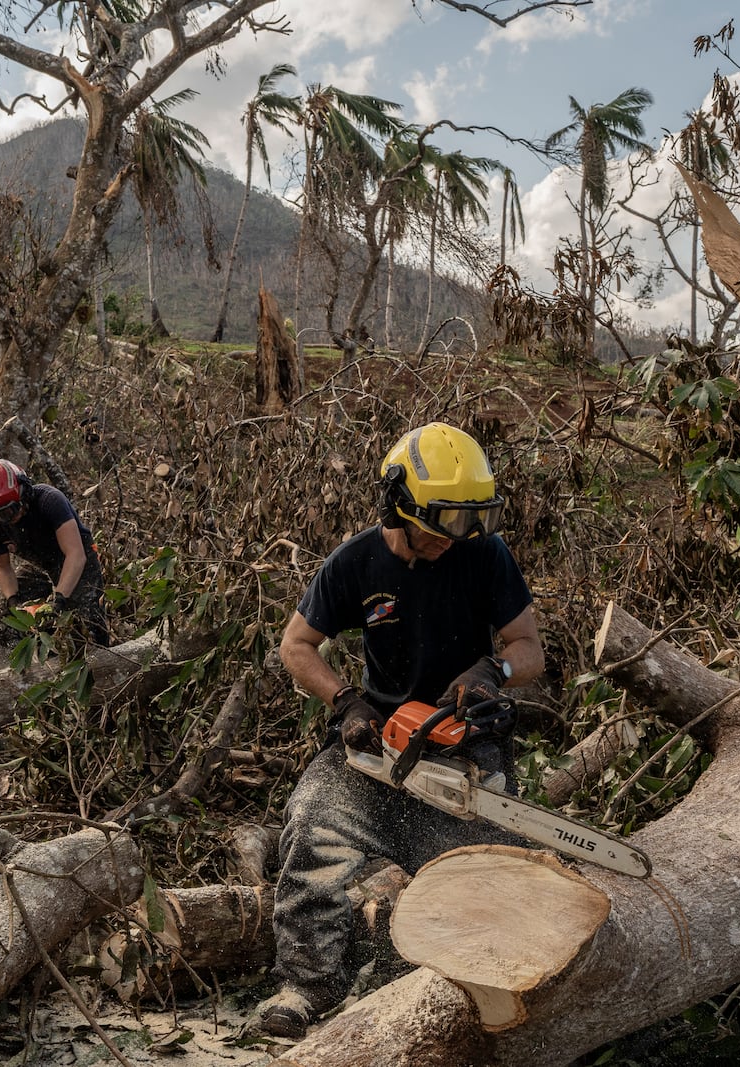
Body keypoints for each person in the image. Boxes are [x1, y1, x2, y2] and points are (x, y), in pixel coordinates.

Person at [257, 422, 545, 1040]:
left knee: (492, 882)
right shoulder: (356, 562)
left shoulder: (483, 555)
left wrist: (492, 669)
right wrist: (346, 703)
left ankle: (467, 997)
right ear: (398, 503)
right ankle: (305, 986)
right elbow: (296, 644)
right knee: (311, 825)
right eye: (440, 523)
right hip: (375, 747)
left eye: (467, 522)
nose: (453, 539)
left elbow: (529, 647)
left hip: (465, 745)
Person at [0, 459, 109, 643]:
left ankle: (102, 666)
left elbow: (75, 554)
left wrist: (59, 600)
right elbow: (4, 568)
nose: (2, 520)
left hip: (77, 559)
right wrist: (13, 602)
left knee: (88, 627)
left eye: (7, 512)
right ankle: (16, 669)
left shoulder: (49, 500)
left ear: (23, 494)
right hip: (41, 566)